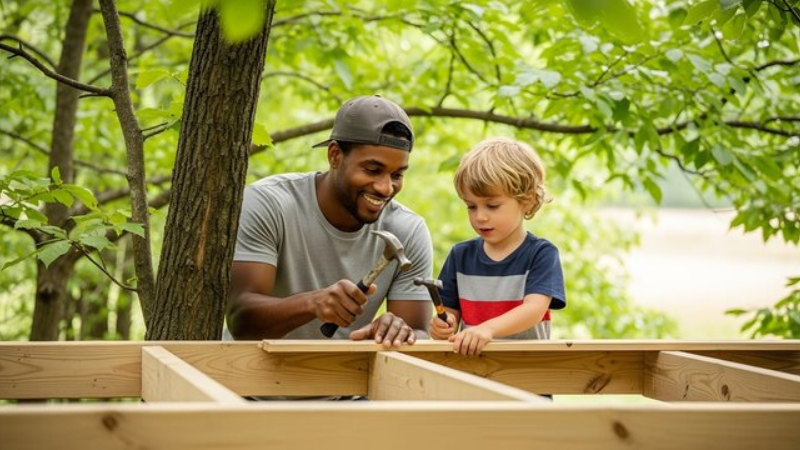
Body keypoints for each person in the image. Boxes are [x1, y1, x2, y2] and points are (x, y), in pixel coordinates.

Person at [226, 95, 433, 347]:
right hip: (251, 379)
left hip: (348, 380)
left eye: (397, 175)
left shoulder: (408, 230)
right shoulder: (269, 204)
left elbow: (420, 333)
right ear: (335, 155)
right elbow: (242, 322)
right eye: (372, 170)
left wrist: (397, 332)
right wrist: (312, 304)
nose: (385, 187)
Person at [428, 137, 566, 356]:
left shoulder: (541, 254)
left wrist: (487, 330)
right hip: (472, 377)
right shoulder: (460, 255)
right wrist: (443, 325)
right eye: (471, 206)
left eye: (492, 206)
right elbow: (450, 313)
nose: (480, 217)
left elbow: (534, 310)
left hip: (529, 378)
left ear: (527, 201)